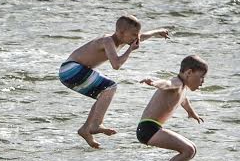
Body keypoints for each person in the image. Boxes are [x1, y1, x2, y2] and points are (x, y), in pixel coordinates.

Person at [60, 15, 172, 149]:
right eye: (133, 35)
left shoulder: (123, 39)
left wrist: (156, 32)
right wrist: (130, 50)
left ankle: (85, 129)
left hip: (71, 72)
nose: (136, 38)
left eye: (136, 35)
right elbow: (116, 64)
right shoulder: (108, 41)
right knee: (110, 87)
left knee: (103, 95)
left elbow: (142, 36)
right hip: (71, 69)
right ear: (120, 32)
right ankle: (96, 124)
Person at [136, 55, 210, 161]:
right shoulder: (176, 82)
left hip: (152, 128)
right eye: (201, 77)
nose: (202, 82)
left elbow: (184, 100)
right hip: (148, 128)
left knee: (192, 149)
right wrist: (154, 82)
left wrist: (191, 112)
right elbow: (167, 83)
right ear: (188, 73)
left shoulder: (183, 88)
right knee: (187, 150)